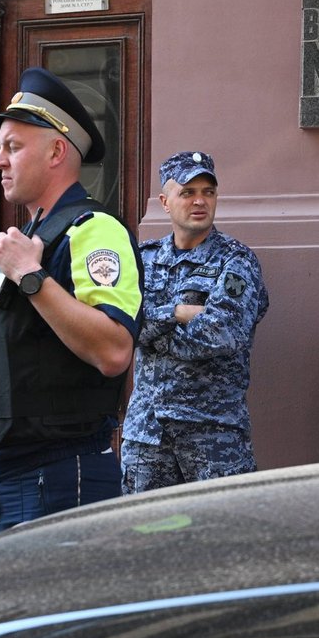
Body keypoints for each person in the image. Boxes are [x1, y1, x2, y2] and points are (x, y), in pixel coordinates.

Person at [0, 66, 143, 533]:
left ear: (57, 150)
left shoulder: (94, 230)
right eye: (0, 148)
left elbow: (115, 350)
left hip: (61, 472)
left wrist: (32, 276)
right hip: (9, 474)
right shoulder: (33, 236)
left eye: (13, 148)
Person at [120, 151, 269, 492]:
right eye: (188, 192)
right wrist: (178, 313)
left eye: (208, 192)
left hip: (213, 435)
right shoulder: (143, 258)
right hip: (148, 434)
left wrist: (151, 329)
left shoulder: (236, 260)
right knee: (146, 537)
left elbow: (224, 333)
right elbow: (122, 324)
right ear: (165, 201)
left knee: (222, 539)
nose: (200, 201)